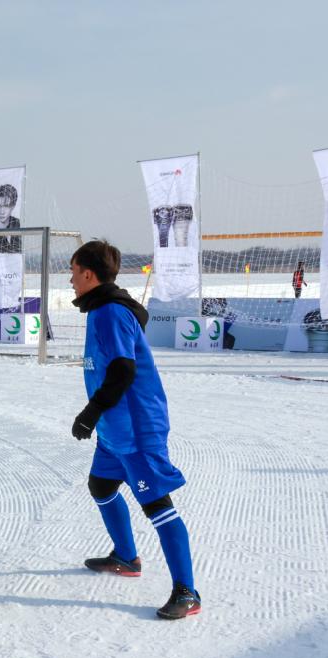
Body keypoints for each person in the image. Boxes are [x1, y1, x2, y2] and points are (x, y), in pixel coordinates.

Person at [69, 239, 200, 620]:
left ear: (90, 274)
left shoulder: (109, 311)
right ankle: (126, 557)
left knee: (158, 506)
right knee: (101, 486)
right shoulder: (101, 308)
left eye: (74, 273)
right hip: (116, 428)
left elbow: (123, 371)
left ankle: (187, 591)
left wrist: (89, 413)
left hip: (137, 428)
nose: (71, 280)